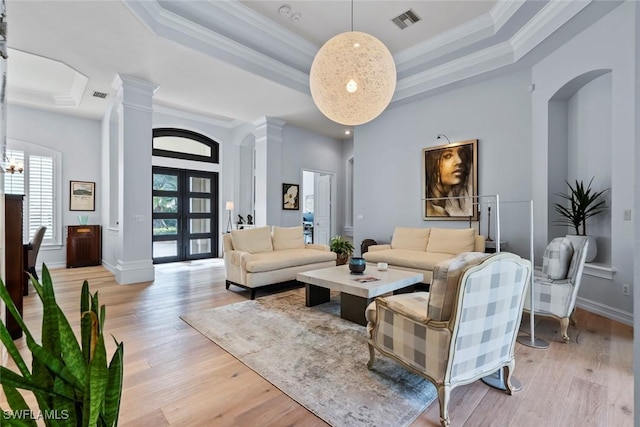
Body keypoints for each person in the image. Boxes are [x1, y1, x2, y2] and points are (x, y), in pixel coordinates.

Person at [425, 144, 474, 217]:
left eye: (461, 154)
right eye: (448, 156)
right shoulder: (434, 211)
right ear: (433, 164)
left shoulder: (448, 206)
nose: (459, 161)